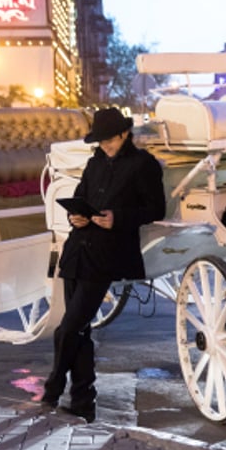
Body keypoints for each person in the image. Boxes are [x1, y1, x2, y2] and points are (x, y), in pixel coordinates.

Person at [42, 107, 165, 421]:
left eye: (108, 140)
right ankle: (83, 401)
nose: (105, 146)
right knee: (78, 328)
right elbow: (81, 195)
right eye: (100, 141)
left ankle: (53, 388)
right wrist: (76, 216)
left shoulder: (143, 165)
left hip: (108, 253)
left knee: (67, 329)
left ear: (124, 134)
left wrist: (117, 218)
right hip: (77, 250)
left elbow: (156, 208)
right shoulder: (94, 162)